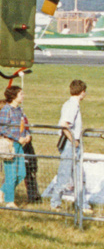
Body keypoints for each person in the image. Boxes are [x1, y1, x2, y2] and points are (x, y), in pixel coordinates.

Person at [53, 79, 88, 214]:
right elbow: (64, 124)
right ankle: (55, 202)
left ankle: (81, 203)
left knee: (79, 174)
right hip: (70, 144)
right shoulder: (73, 106)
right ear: (82, 92)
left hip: (71, 142)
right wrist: (74, 140)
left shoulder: (69, 103)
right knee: (65, 174)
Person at [0, 86, 30, 208]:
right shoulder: (6, 110)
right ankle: (10, 201)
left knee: (21, 174)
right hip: (10, 145)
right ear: (14, 96)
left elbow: (23, 125)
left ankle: (0, 192)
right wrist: (17, 137)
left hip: (19, 145)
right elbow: (2, 128)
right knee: (11, 175)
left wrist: (27, 135)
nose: (23, 96)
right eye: (21, 94)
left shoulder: (19, 110)